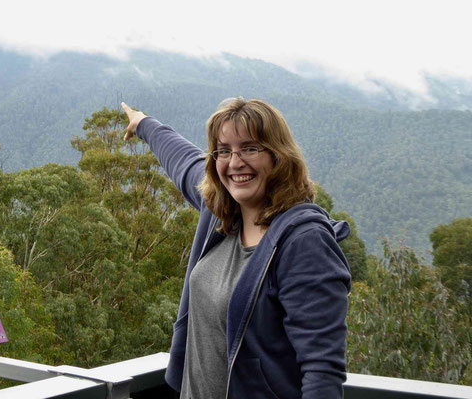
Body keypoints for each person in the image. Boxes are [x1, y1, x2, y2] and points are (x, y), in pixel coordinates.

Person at [121, 98, 351, 399]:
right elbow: (183, 161)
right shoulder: (221, 213)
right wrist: (143, 124)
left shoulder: (304, 242)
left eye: (250, 148)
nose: (235, 162)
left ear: (278, 156)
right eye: (223, 151)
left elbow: (322, 371)